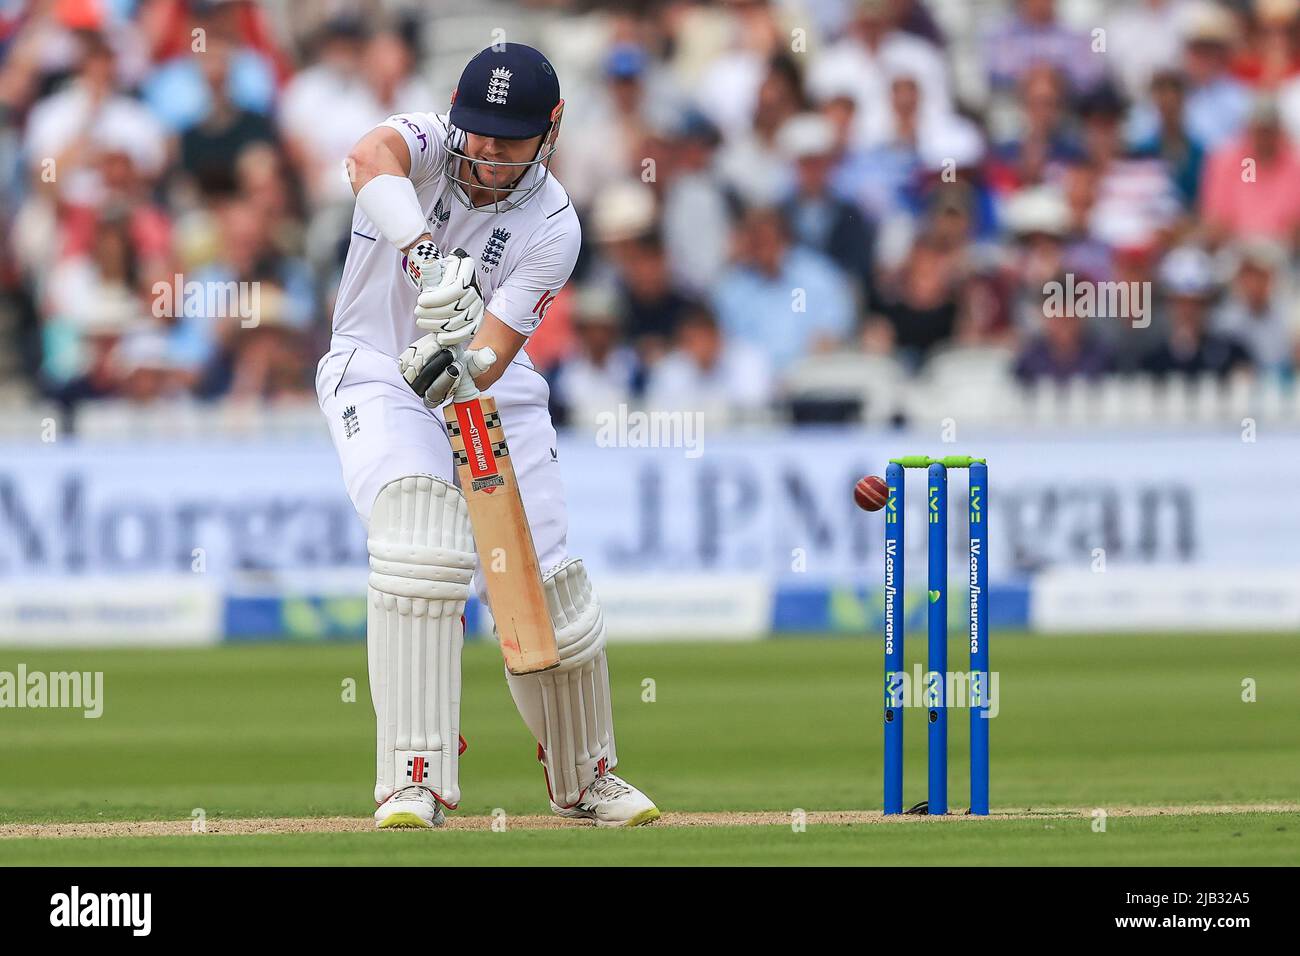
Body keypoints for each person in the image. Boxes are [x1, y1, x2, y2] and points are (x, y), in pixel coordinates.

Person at [317, 44, 659, 829]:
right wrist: (429, 259)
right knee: (418, 538)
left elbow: (494, 356)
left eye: (508, 141)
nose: (487, 154)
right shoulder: (431, 143)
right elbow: (368, 158)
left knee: (546, 581)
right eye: (478, 133)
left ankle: (586, 778)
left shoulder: (557, 225)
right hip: (373, 369)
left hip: (486, 389)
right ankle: (415, 779)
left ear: (552, 131)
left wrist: (459, 350)